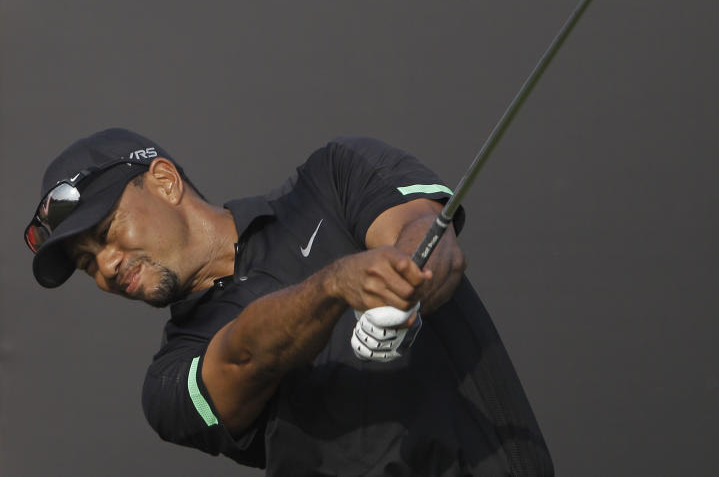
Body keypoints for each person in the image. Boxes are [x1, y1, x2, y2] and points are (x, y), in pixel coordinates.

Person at [25, 128, 553, 476]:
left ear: (164, 182)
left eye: (107, 230)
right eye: (88, 263)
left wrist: (407, 280)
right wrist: (333, 285)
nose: (107, 265)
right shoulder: (168, 381)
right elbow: (244, 356)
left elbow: (424, 234)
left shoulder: (333, 178)